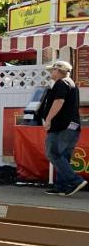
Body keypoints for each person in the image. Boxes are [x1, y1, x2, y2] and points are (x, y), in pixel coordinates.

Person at [40, 60, 85, 196]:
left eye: (52, 70)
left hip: (62, 127)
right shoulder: (71, 84)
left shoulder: (61, 83)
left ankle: (75, 181)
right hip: (72, 127)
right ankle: (62, 186)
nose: (50, 72)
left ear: (59, 71)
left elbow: (59, 101)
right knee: (63, 156)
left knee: (52, 153)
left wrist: (48, 119)